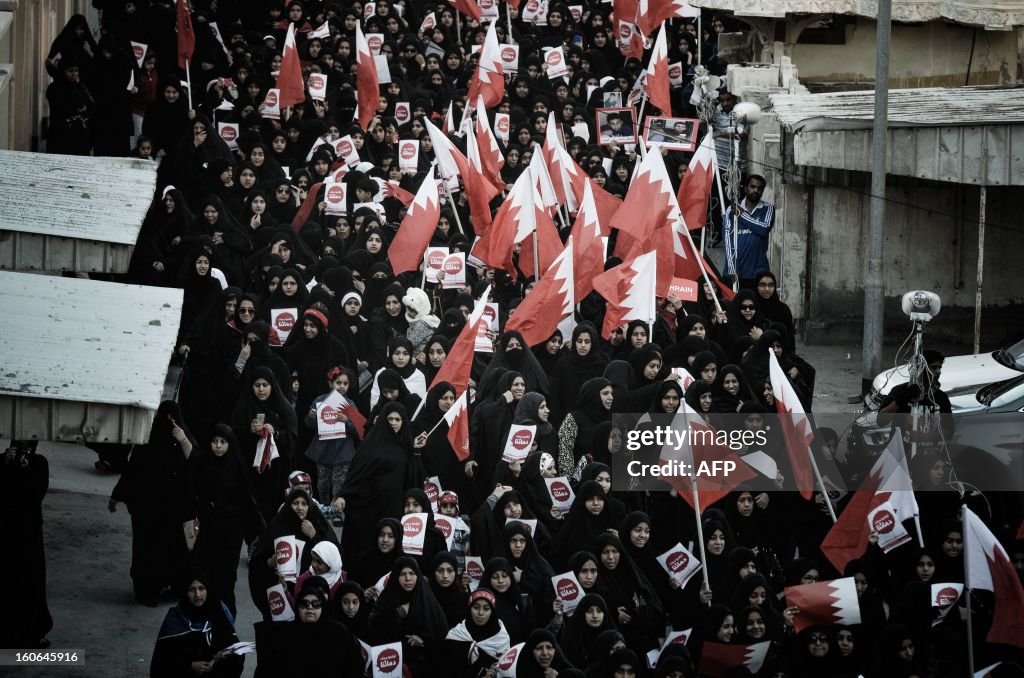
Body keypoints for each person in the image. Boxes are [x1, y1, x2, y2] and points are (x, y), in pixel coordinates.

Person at [109, 401, 195, 607]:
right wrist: (117, 495)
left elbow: (197, 465)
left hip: (173, 509)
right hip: (147, 509)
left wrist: (183, 441)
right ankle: (145, 590)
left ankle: (167, 585)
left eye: (173, 417)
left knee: (171, 548)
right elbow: (132, 470)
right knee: (146, 550)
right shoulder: (147, 442)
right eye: (165, 417)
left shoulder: (183, 440)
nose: (170, 422)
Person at [0, 440, 52, 649]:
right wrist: (5, 465)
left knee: (30, 580)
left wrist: (23, 468)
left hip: (28, 532)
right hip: (5, 530)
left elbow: (37, 492)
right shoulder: (2, 460)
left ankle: (32, 630)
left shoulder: (39, 463)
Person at [150, 569, 244, 678]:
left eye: (201, 588)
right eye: (191, 590)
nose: (197, 594)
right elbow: (162, 662)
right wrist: (189, 666)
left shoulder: (217, 610)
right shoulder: (176, 618)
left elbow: (232, 642)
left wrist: (223, 654)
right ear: (185, 592)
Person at [723, 174, 774, 289]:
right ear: (745, 188)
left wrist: (741, 214)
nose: (756, 190)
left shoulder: (767, 209)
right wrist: (732, 268)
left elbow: (764, 229)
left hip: (757, 272)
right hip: (735, 272)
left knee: (756, 306)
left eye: (760, 188)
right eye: (753, 186)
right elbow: (727, 239)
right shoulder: (731, 210)